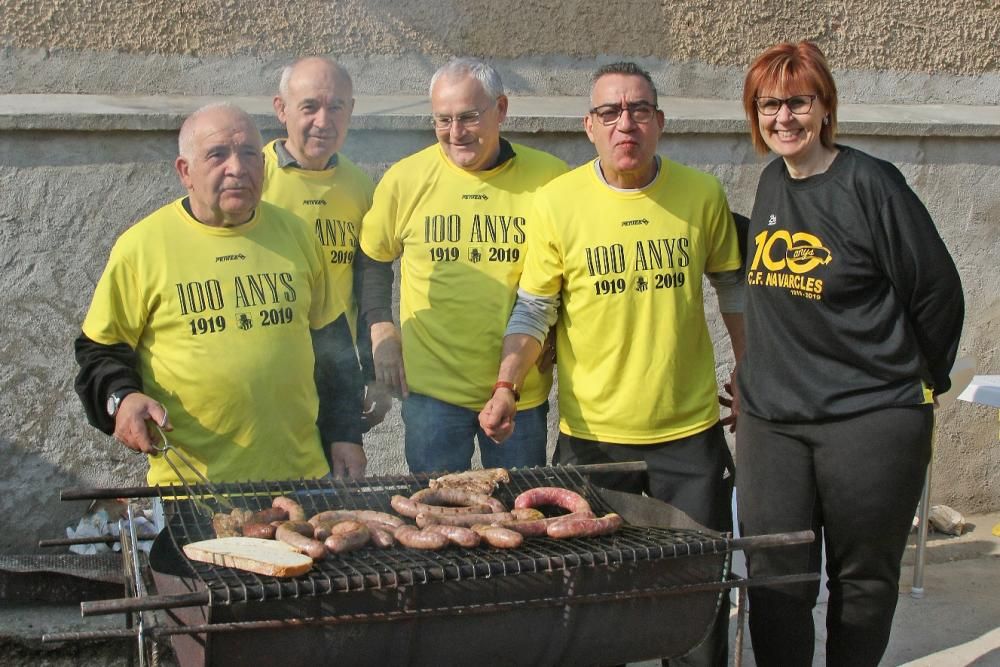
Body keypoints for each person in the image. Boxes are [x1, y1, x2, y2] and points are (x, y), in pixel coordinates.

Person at [479, 62, 744, 666]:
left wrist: (747, 370)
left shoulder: (701, 194)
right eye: (610, 113)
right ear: (589, 128)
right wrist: (505, 386)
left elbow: (733, 287)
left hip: (689, 441)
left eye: (639, 110)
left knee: (697, 610)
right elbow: (532, 312)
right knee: (596, 613)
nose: (626, 123)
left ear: (659, 122)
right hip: (593, 445)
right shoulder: (557, 202)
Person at [736, 41, 964, 666]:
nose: (783, 117)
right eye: (768, 104)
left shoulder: (870, 184)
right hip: (773, 422)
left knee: (862, 582)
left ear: (825, 106)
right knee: (776, 579)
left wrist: (920, 377)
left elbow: (938, 291)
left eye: (798, 102)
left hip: (870, 419)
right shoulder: (771, 182)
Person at [74, 103, 357, 485]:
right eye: (217, 154)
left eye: (249, 155)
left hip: (302, 476)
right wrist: (122, 399)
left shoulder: (297, 234)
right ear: (185, 172)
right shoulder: (142, 247)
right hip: (191, 484)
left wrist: (345, 435)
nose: (237, 168)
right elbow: (99, 352)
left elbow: (332, 346)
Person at [357, 57, 568, 473]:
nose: (456, 133)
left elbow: (571, 267)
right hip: (431, 395)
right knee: (435, 519)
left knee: (518, 520)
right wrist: (380, 324)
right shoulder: (406, 179)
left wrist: (563, 330)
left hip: (520, 391)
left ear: (501, 109)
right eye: (443, 120)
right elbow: (371, 257)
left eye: (469, 117)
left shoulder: (551, 179)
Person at [263, 55, 387, 478]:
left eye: (336, 107)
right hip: (270, 376)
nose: (323, 120)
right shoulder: (253, 179)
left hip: (334, 377)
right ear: (281, 109)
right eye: (309, 106)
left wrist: (372, 372)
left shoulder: (359, 187)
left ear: (351, 112)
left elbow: (369, 283)